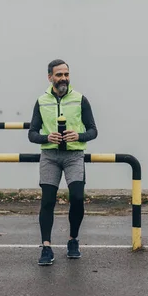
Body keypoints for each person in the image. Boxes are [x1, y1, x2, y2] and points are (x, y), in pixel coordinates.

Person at [28, 59, 98, 266]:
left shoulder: (80, 99)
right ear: (50, 77)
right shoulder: (41, 101)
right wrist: (46, 138)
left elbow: (93, 130)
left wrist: (79, 135)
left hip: (74, 156)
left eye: (66, 74)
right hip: (50, 156)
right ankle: (46, 247)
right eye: (59, 75)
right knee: (47, 201)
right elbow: (32, 133)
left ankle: (73, 240)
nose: (63, 78)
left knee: (77, 197)